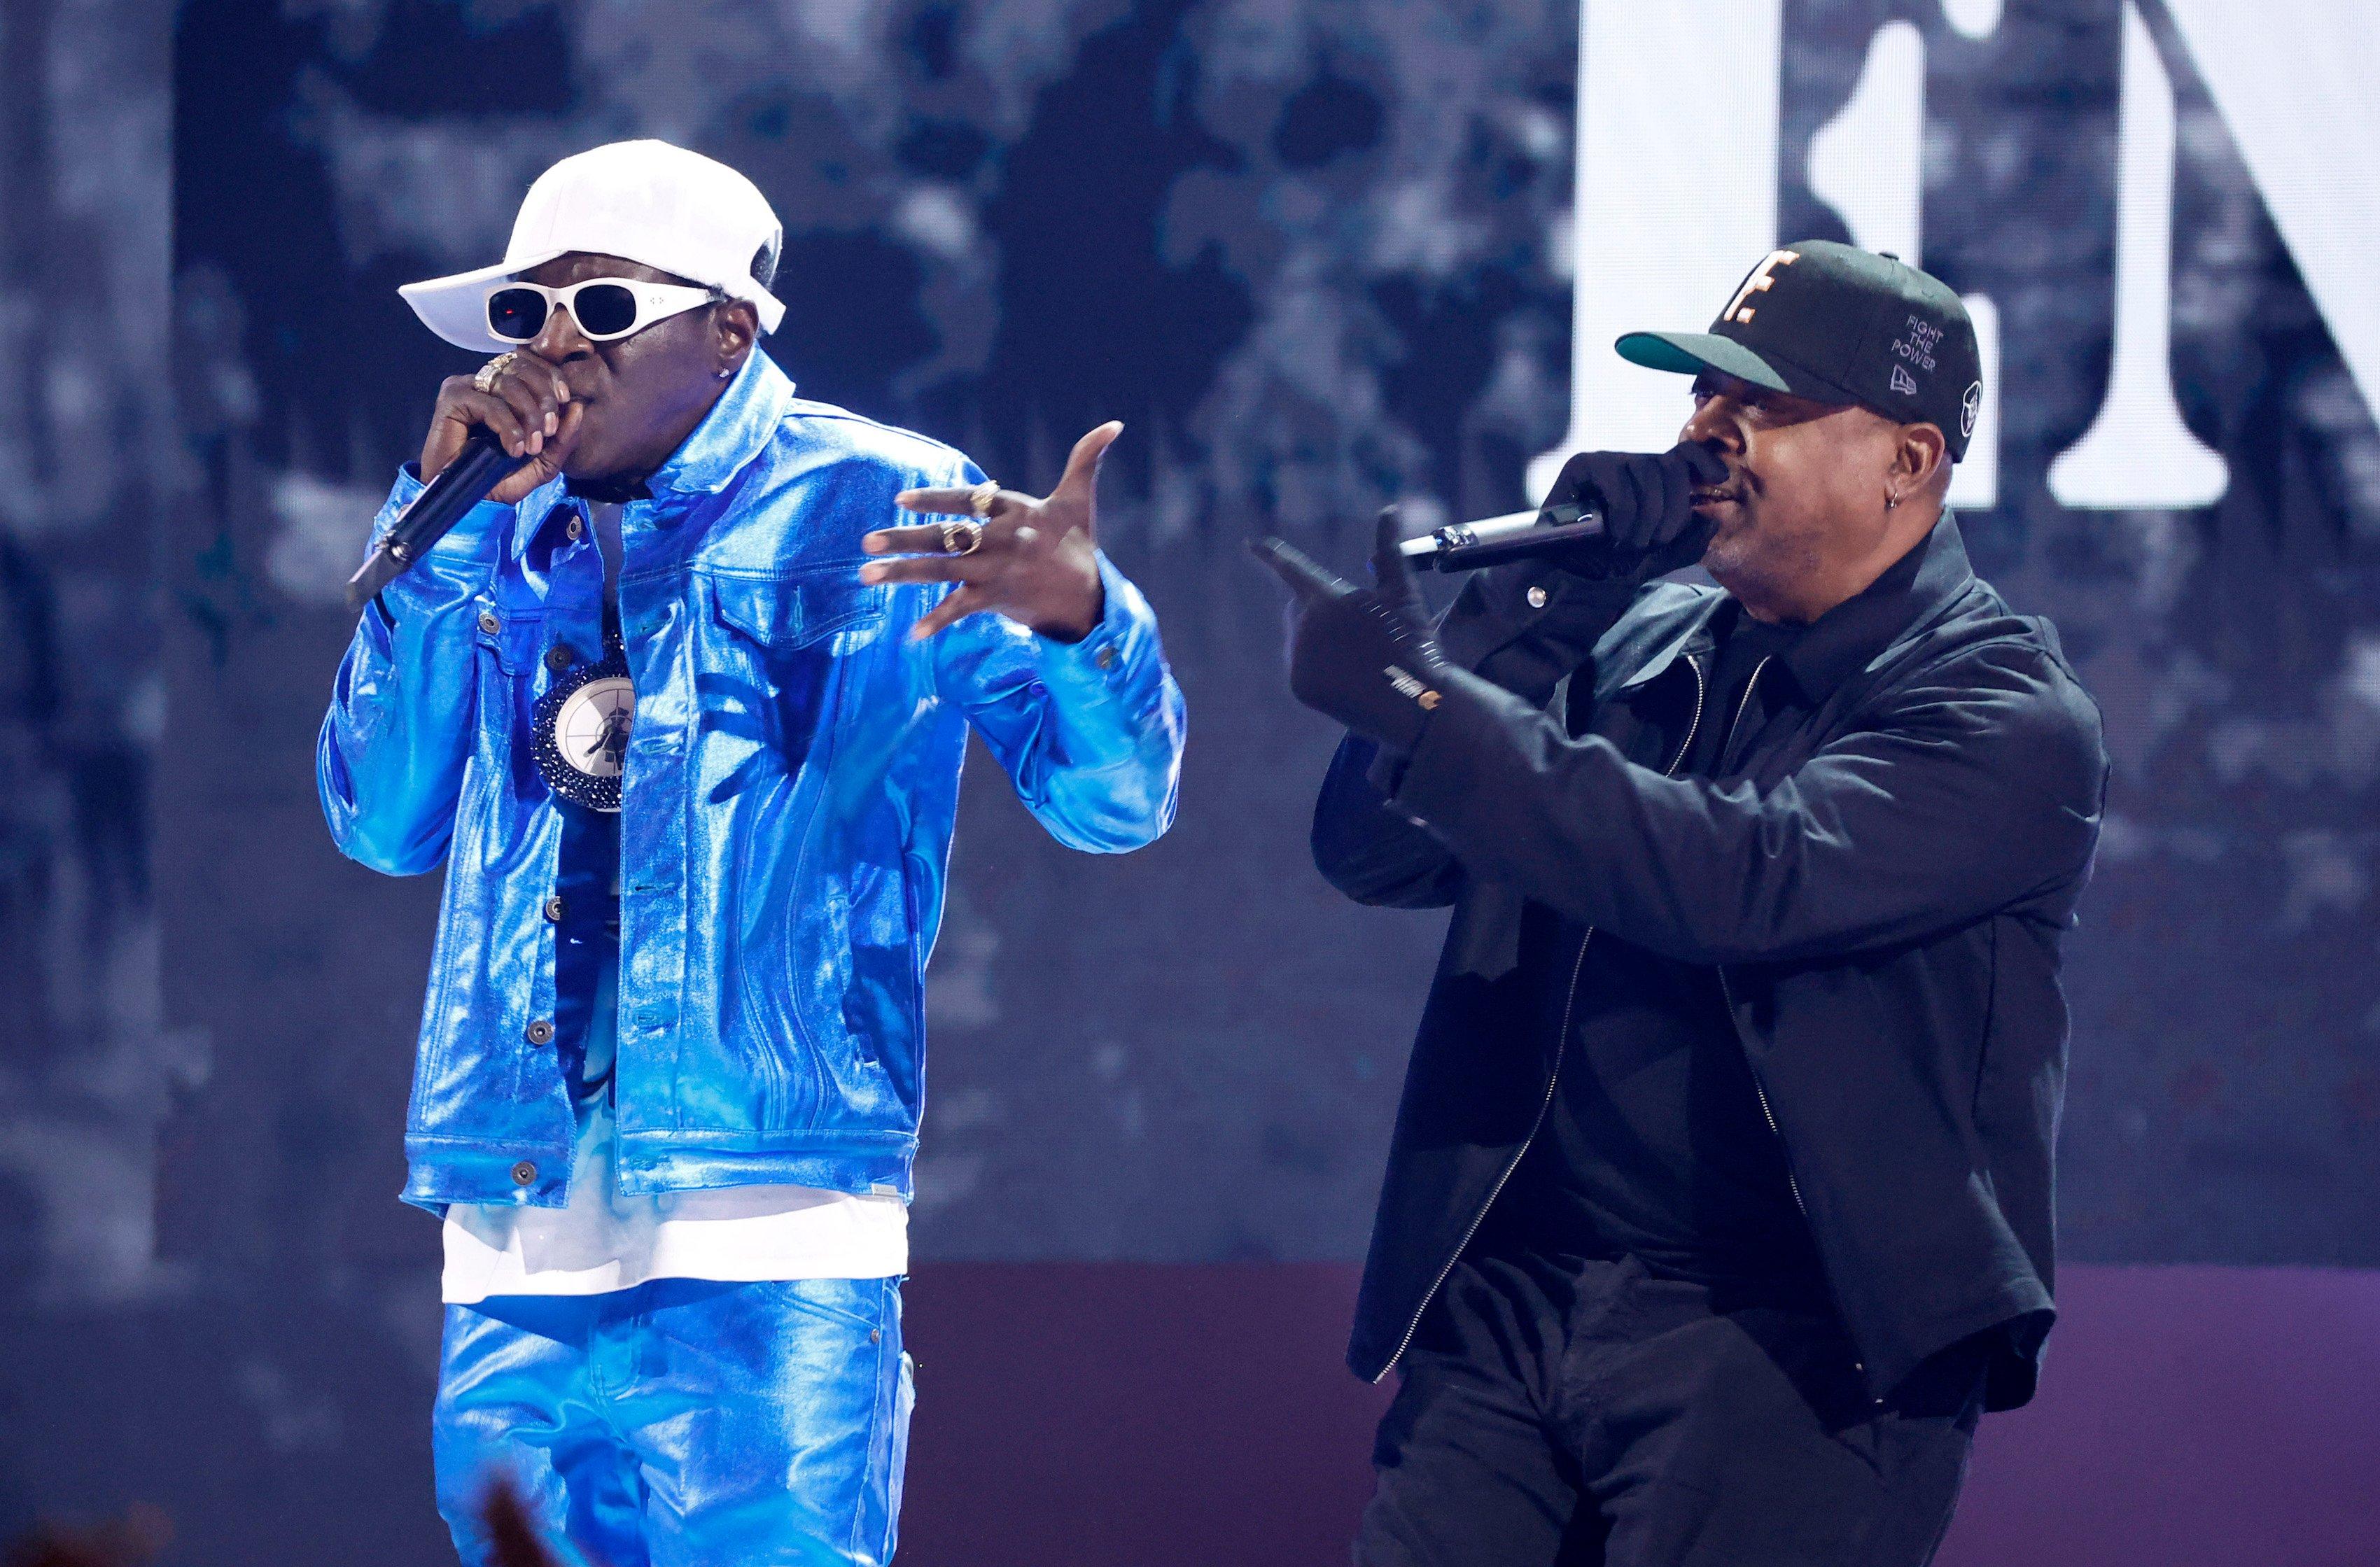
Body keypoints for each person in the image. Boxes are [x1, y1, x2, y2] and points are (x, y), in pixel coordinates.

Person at [318, 139, 1184, 1567]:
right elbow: (380, 820)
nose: (551, 353)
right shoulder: (484, 529)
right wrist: (442, 538)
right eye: (522, 315)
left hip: (768, 1236)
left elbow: (1116, 799)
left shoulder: (883, 500)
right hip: (513, 1241)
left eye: (601, 311)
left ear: (728, 334)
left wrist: (1086, 625)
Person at [1259, 241, 2107, 1565]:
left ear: (1911, 460)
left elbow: (1741, 878)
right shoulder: (1633, 635)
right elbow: (1378, 855)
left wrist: (1422, 702)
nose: (1708, 432)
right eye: (1702, 395)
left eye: (1762, 403)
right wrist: (1537, 602)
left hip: (1794, 1342)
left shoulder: (2004, 712)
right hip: (1513, 1302)